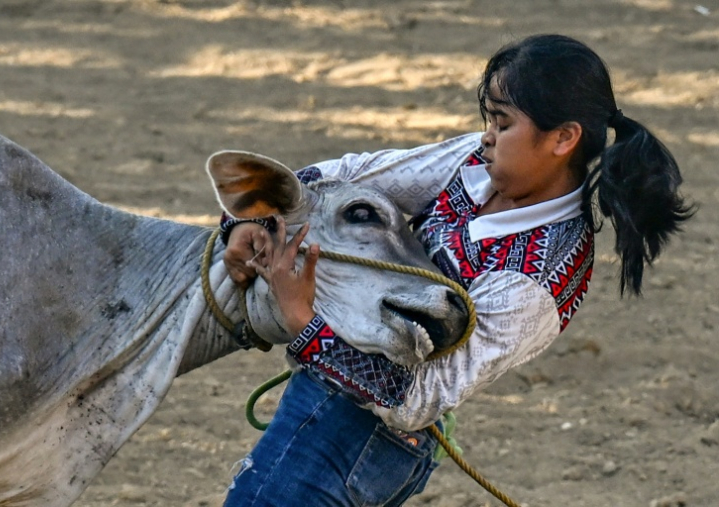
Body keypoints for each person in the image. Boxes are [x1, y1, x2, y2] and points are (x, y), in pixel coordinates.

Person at [219, 34, 693, 506]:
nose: (487, 135)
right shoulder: (478, 162)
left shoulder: (540, 278)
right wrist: (254, 216)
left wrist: (303, 321)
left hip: (367, 440)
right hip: (330, 406)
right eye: (489, 119)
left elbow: (416, 399)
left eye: (503, 123)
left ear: (563, 138)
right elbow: (348, 176)